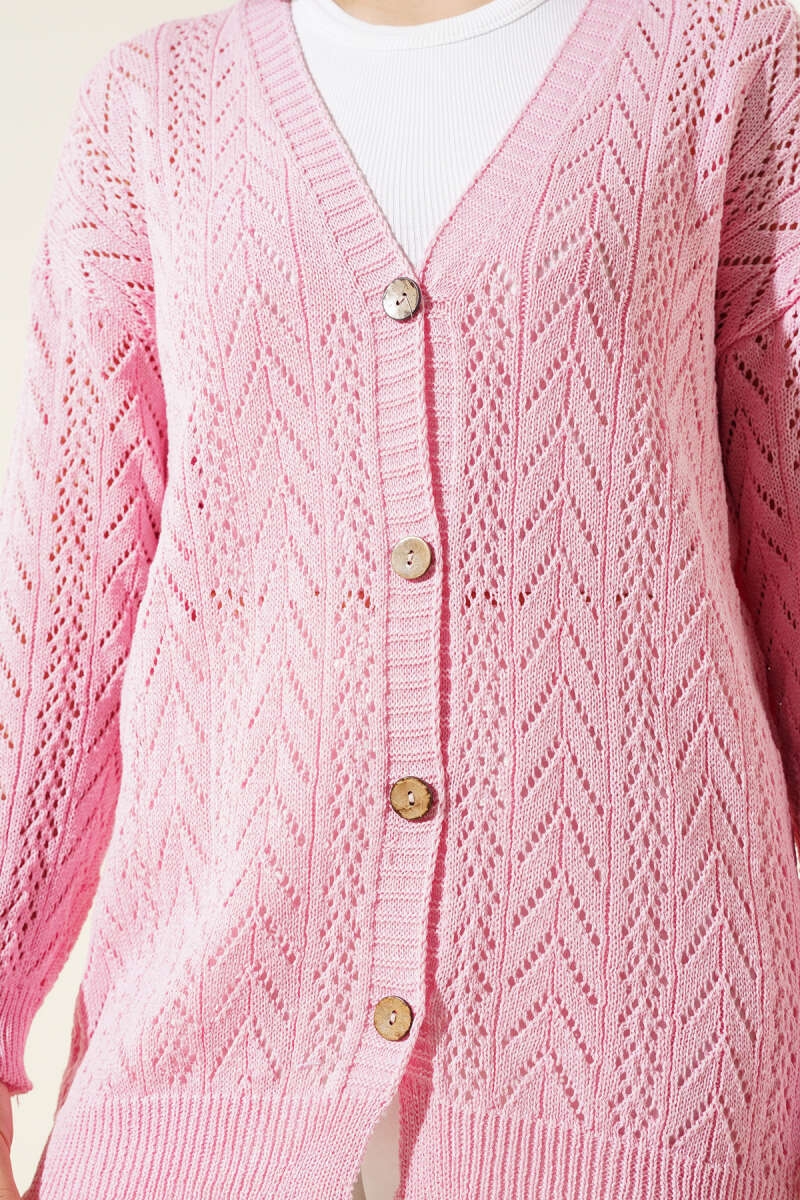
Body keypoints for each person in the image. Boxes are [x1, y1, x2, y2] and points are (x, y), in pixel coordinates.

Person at [3, 0, 800, 1197]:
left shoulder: (724, 63)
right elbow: (66, 607)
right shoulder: (156, 108)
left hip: (640, 1051)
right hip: (194, 1036)